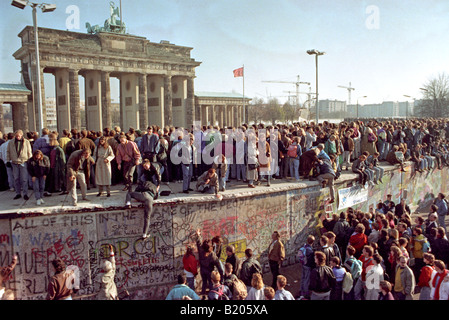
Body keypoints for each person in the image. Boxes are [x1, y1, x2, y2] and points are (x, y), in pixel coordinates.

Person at [194, 229, 224, 296]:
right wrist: (221, 277)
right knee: (210, 283)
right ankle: (211, 294)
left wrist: (198, 234)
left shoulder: (201, 250)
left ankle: (203, 294)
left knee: (204, 282)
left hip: (202, 270)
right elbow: (219, 267)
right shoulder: (212, 255)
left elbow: (198, 243)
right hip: (210, 271)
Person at [7, 129, 32, 200]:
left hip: (23, 162)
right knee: (16, 178)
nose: (18, 137)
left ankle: (25, 193)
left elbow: (29, 152)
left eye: (19, 136)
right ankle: (18, 193)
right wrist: (8, 160)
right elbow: (8, 152)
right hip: (14, 162)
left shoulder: (26, 142)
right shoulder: (11, 142)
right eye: (16, 136)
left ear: (22, 135)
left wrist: (30, 160)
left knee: (24, 179)